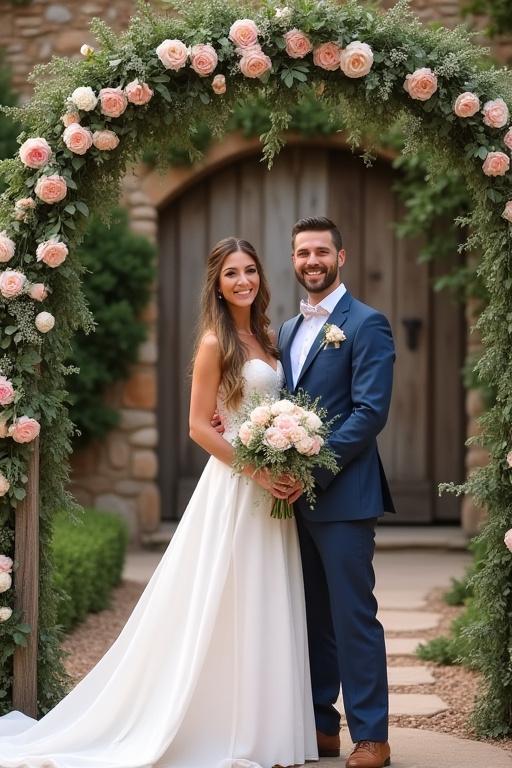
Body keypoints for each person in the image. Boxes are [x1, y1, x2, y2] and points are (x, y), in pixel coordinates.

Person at [0, 237, 317, 768]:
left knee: (265, 596)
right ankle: (221, 727)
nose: (243, 281)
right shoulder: (217, 341)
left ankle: (268, 730)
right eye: (232, 274)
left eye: (250, 271)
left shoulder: (266, 335)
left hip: (273, 491)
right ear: (217, 284)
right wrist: (258, 471)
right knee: (225, 600)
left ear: (261, 277)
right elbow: (197, 426)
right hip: (238, 487)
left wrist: (286, 460)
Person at [279, 217, 395, 768]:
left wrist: (313, 470)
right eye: (303, 252)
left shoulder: (367, 324)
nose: (312, 261)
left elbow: (370, 413)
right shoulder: (286, 330)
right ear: (295, 259)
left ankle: (372, 736)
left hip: (344, 496)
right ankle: (323, 727)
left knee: (353, 617)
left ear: (341, 257)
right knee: (309, 615)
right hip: (286, 500)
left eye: (322, 251)